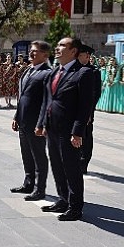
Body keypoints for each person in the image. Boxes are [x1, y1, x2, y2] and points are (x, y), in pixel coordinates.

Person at [41, 37, 94, 221]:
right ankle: (63, 199)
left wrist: (78, 132)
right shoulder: (56, 71)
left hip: (69, 131)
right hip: (53, 128)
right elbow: (50, 100)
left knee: (71, 168)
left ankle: (75, 207)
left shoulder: (83, 73)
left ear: (73, 51)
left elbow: (85, 106)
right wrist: (44, 124)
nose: (57, 48)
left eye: (62, 45)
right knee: (57, 166)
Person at [11, 41, 52, 201]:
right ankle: (28, 183)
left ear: (45, 55)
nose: (31, 53)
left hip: (36, 123)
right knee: (26, 154)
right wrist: (16, 116)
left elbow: (47, 101)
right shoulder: (28, 70)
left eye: (35, 51)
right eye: (31, 51)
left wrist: (42, 124)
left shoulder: (47, 73)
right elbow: (22, 97)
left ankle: (39, 188)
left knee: (39, 156)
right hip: (23, 121)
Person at [77, 45, 102, 175]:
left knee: (86, 136)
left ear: (87, 56)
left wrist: (89, 111)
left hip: (86, 111)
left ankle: (83, 162)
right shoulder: (73, 70)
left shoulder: (93, 72)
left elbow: (96, 93)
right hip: (73, 110)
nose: (77, 57)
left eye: (80, 55)